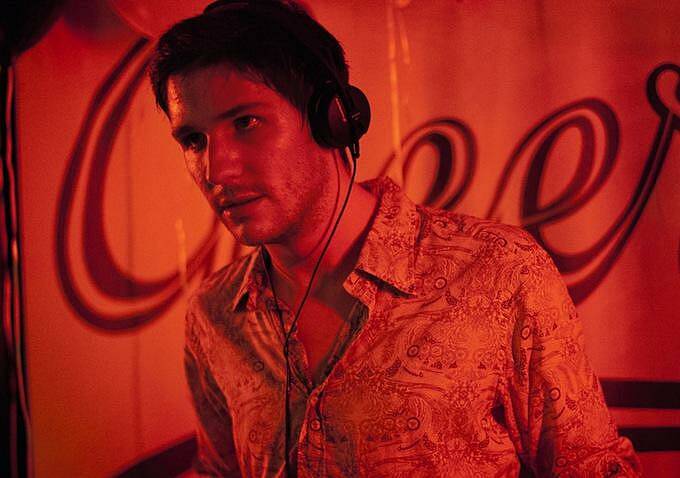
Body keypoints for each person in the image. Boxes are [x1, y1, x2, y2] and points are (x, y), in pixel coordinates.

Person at [149, 1, 641, 476]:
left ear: (332, 117)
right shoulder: (213, 314)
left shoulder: (500, 271)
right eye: (193, 140)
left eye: (246, 123)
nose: (217, 170)